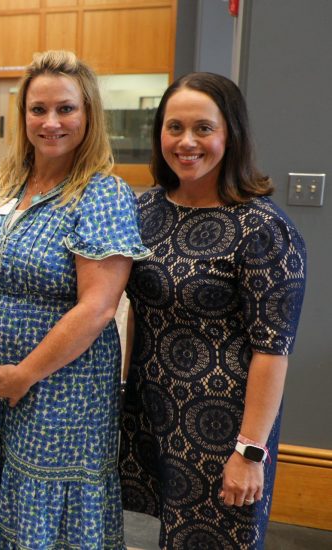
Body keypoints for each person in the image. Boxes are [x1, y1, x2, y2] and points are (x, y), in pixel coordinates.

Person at [0, 50, 147, 549]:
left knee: (42, 511)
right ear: (23, 117)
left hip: (64, 388)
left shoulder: (103, 194)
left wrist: (27, 373)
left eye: (66, 109)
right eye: (38, 110)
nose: (51, 122)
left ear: (88, 115)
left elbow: (98, 308)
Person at [120, 73, 307, 549]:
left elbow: (273, 351)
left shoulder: (262, 228)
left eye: (203, 128)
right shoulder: (149, 211)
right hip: (155, 412)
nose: (186, 142)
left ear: (231, 135)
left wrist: (249, 451)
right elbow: (139, 312)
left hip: (223, 424)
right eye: (174, 126)